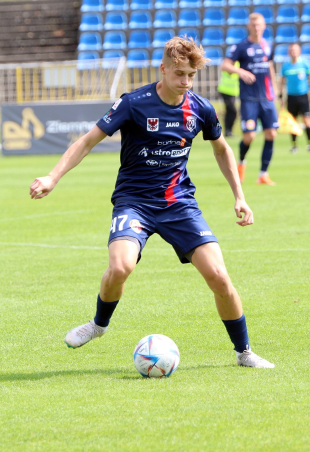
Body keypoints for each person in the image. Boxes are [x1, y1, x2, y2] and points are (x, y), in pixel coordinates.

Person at [29, 37, 274, 369]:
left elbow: (222, 149)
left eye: (191, 75)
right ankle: (99, 325)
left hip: (179, 204)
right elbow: (87, 141)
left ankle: (244, 352)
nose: (185, 82)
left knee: (218, 275)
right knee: (121, 267)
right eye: (179, 74)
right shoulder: (133, 103)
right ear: (163, 69)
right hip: (134, 202)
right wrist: (52, 177)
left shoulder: (200, 108)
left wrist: (239, 196)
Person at [221, 12, 279, 186]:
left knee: (271, 133)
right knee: (249, 137)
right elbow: (225, 65)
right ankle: (241, 163)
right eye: (253, 25)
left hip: (267, 98)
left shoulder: (267, 45)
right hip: (249, 99)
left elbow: (269, 66)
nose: (256, 28)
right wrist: (240, 71)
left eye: (259, 24)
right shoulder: (241, 46)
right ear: (248, 26)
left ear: (264, 26)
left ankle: (263, 174)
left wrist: (275, 89)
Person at [280, 43, 310, 153]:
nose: (293, 52)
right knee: (292, 122)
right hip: (291, 97)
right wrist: (280, 96)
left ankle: (309, 144)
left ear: (299, 51)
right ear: (289, 52)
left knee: (306, 120)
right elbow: (281, 81)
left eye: (295, 50)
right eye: (291, 50)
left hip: (303, 96)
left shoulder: (305, 63)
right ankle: (294, 145)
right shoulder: (286, 66)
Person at [217, 60, 239, 137]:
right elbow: (229, 71)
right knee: (233, 111)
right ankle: (227, 130)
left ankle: (228, 131)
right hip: (225, 91)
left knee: (230, 112)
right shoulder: (227, 64)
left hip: (233, 92)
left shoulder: (238, 63)